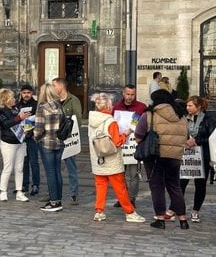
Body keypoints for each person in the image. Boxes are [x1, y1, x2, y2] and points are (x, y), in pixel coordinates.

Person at [135, 89, 188, 229]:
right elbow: (185, 136)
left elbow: (138, 136)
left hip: (155, 155)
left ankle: (160, 218)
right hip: (175, 156)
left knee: (157, 187)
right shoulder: (181, 116)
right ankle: (183, 219)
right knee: (174, 186)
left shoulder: (149, 114)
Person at [88, 93, 145, 223]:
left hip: (98, 158)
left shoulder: (92, 120)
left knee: (100, 185)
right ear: (108, 105)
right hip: (111, 159)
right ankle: (130, 212)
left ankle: (99, 211)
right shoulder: (110, 121)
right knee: (120, 188)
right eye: (111, 103)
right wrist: (126, 134)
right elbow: (117, 141)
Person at [165, 96, 216, 223]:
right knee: (181, 182)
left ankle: (195, 211)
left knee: (200, 184)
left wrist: (197, 141)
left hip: (202, 155)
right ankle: (173, 208)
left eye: (190, 106)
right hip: (186, 155)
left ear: (198, 107)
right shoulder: (183, 119)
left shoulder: (209, 120)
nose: (187, 108)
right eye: (187, 106)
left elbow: (212, 138)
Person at [112, 84, 147, 207]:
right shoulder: (116, 107)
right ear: (123, 93)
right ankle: (122, 197)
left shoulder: (141, 107)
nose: (130, 97)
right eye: (128, 94)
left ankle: (131, 199)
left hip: (133, 146)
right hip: (119, 144)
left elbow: (145, 125)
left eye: (132, 94)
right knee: (119, 174)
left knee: (133, 174)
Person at [34, 83, 65, 212]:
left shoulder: (42, 108)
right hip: (59, 142)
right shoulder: (60, 106)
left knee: (50, 172)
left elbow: (39, 129)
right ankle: (58, 199)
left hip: (46, 143)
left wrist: (35, 137)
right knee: (57, 171)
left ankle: (53, 202)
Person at [0, 88, 29, 202]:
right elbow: (6, 124)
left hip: (20, 141)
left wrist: (27, 127)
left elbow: (21, 122)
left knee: (19, 168)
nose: (15, 99)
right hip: (8, 142)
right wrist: (19, 118)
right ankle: (3, 191)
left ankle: (19, 191)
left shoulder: (16, 109)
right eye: (13, 97)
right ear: (7, 99)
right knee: (8, 167)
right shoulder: (0, 111)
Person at [51, 77, 81, 205]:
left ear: (61, 86)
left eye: (54, 85)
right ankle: (52, 193)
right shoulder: (53, 101)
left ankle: (74, 194)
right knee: (52, 168)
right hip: (54, 138)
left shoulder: (73, 100)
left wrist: (71, 136)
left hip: (69, 139)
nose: (52, 88)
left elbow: (77, 120)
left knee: (71, 168)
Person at [17, 84, 40, 196]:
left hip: (32, 138)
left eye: (28, 93)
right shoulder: (17, 105)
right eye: (24, 92)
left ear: (32, 93)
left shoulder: (36, 105)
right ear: (21, 93)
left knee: (34, 162)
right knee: (23, 162)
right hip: (21, 137)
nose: (26, 95)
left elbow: (38, 121)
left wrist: (30, 133)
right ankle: (24, 184)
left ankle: (36, 185)